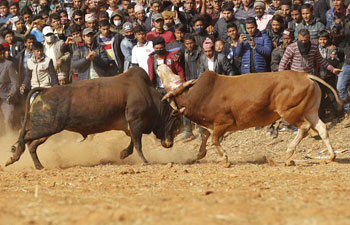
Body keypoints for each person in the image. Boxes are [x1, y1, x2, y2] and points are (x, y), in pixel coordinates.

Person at [0, 45, 19, 133]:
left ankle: (9, 139)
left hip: (7, 96)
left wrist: (12, 93)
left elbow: (15, 82)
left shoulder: (9, 64)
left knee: (8, 120)